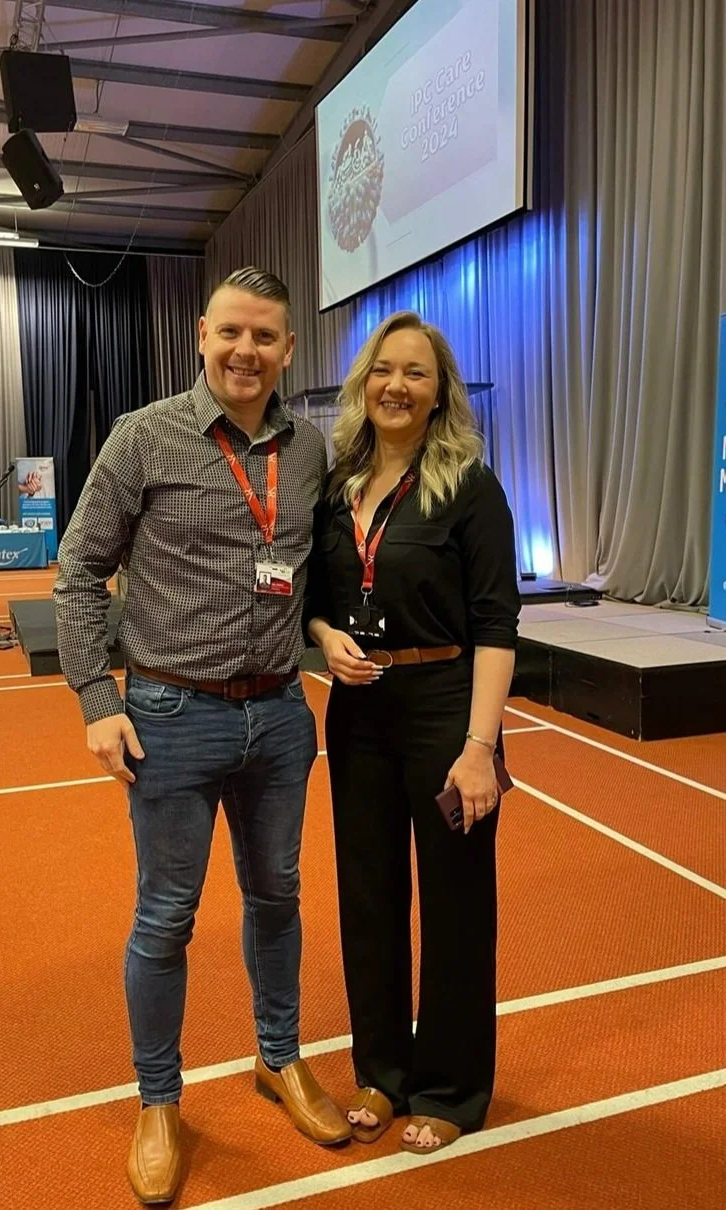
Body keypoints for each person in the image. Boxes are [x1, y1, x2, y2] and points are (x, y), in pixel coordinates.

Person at [54, 267, 350, 1206]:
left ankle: (279, 1059)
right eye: (230, 333)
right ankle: (159, 1101)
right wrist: (99, 701)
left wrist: (317, 630)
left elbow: (299, 572)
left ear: (289, 349)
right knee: (166, 916)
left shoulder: (309, 452)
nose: (245, 352)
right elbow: (76, 575)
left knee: (279, 897)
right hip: (171, 717)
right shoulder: (143, 437)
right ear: (199, 334)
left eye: (265, 336)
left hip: (280, 717)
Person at [306, 311, 519, 1157]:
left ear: (440, 394)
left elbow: (498, 625)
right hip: (358, 713)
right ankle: (384, 1072)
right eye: (384, 369)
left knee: (458, 904)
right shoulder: (336, 486)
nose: (397, 385)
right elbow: (317, 601)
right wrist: (324, 642)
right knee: (369, 899)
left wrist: (480, 748)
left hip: (445, 710)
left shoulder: (470, 483)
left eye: (417, 373)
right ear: (364, 383)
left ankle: (453, 1089)